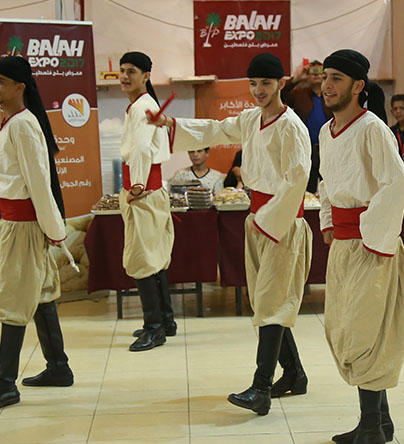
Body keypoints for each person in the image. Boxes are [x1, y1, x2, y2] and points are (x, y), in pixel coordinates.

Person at [150, 52, 313, 414]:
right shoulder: (252, 119)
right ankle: (295, 374)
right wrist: (170, 124)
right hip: (258, 218)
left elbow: (297, 180)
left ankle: (261, 387)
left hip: (282, 223)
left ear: (281, 84)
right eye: (253, 84)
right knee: (266, 302)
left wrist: (270, 222)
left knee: (271, 302)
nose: (258, 90)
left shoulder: (291, 126)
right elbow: (217, 129)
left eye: (265, 84)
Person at [317, 49, 404, 444]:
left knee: (365, 334)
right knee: (345, 328)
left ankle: (371, 429)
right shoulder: (327, 132)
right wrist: (328, 220)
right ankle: (380, 420)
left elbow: (398, 182)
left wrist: (372, 236)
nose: (327, 85)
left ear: (358, 86)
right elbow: (325, 181)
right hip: (344, 245)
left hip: (371, 246)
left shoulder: (373, 129)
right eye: (325, 77)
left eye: (336, 78)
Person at [0, 56, 75, 413]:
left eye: (1, 81)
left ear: (20, 87)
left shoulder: (24, 125)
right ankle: (58, 367)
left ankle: (4, 385)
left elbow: (40, 184)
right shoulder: (13, 122)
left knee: (14, 301)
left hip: (24, 225)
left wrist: (53, 231)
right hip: (17, 223)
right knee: (40, 292)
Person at [117, 51, 177, 352]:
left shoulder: (142, 107)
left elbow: (140, 150)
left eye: (132, 71)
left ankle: (155, 329)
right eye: (122, 70)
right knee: (154, 258)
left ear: (146, 76)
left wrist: (137, 187)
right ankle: (165, 320)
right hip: (150, 193)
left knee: (143, 259)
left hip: (143, 192)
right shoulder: (143, 104)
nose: (125, 76)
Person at [282, 60, 329, 193]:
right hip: (306, 149)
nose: (316, 75)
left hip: (328, 148)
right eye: (312, 72)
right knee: (307, 189)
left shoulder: (332, 94)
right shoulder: (299, 94)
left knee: (331, 187)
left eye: (319, 71)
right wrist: (297, 78)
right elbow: (280, 95)